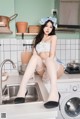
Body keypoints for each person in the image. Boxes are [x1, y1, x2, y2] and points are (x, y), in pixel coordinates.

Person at [14, 17, 64, 108]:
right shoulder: (37, 38)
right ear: (43, 27)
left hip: (54, 66)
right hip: (43, 70)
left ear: (53, 29)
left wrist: (46, 63)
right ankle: (22, 89)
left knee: (49, 59)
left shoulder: (53, 37)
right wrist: (31, 74)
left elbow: (52, 55)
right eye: (46, 26)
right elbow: (34, 55)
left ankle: (54, 93)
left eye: (51, 27)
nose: (48, 28)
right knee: (34, 57)